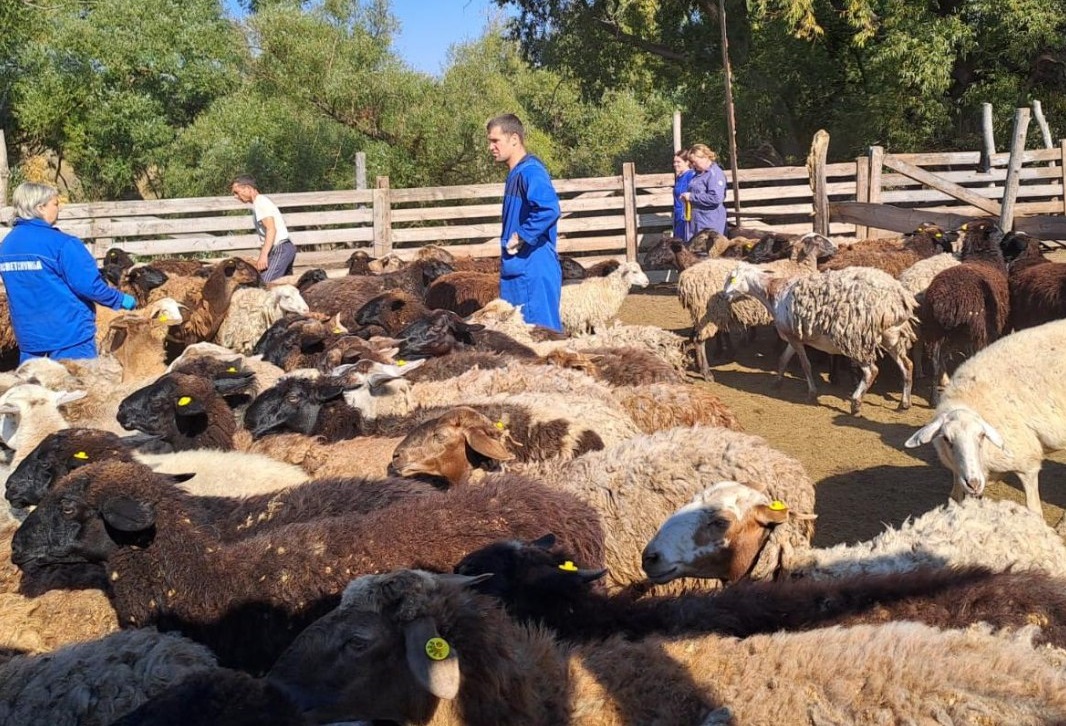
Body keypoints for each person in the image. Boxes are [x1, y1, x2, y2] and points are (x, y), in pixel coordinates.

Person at [0, 182, 136, 363]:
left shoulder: (7, 246)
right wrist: (122, 300)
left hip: (30, 340)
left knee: (34, 388)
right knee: (78, 387)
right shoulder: (62, 244)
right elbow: (89, 286)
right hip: (69, 338)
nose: (59, 208)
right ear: (40, 207)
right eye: (55, 204)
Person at [486, 113, 563, 331]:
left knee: (539, 338)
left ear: (514, 139)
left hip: (532, 268)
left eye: (495, 141)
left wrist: (521, 236)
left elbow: (549, 209)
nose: (490, 147)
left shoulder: (530, 171)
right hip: (519, 268)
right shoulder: (517, 173)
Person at [230, 175, 296, 282]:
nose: (235, 196)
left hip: (280, 249)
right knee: (284, 287)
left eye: (237, 192)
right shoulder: (260, 202)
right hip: (284, 248)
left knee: (264, 285)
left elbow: (271, 229)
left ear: (247, 188)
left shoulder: (260, 203)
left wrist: (263, 255)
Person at [680, 143, 729, 237]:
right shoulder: (698, 174)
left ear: (705, 157)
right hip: (698, 222)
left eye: (695, 161)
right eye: (691, 162)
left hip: (710, 223)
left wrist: (691, 197)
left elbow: (716, 198)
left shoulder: (714, 174)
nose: (693, 165)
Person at [671, 149, 696, 241]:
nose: (675, 164)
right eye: (674, 162)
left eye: (678, 162)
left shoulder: (691, 176)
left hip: (686, 217)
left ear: (687, 162)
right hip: (678, 216)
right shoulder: (679, 177)